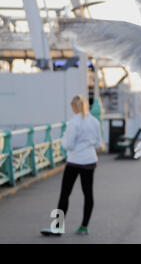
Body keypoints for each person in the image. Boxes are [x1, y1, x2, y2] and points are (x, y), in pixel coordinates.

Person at [41, 95, 102, 236]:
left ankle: (57, 228)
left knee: (65, 194)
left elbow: (69, 144)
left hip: (75, 161)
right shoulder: (95, 122)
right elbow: (98, 144)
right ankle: (84, 227)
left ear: (74, 107)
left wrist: (63, 139)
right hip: (90, 161)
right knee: (88, 194)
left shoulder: (74, 123)